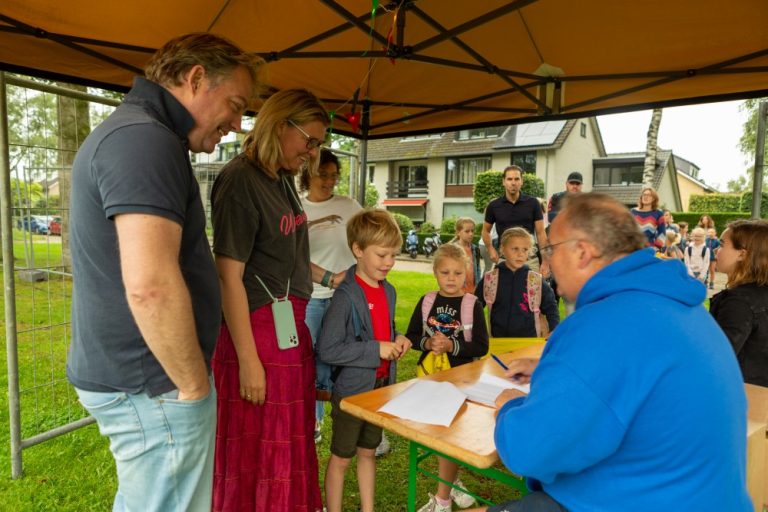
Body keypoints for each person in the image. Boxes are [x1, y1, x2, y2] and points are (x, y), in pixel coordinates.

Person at [66, 33, 258, 512]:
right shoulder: (145, 140)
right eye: (234, 105)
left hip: (143, 379)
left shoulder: (140, 134)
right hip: (153, 383)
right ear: (195, 79)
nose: (237, 125)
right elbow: (150, 286)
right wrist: (192, 385)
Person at [468, 192, 751, 512]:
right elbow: (630, 371)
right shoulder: (677, 305)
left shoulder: (603, 324)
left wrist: (508, 407)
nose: (546, 261)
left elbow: (528, 450)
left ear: (583, 252)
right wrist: (556, 367)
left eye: (549, 249)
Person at [210, 88, 329, 511]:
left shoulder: (279, 178)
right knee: (258, 447)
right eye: (309, 141)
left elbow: (288, 257)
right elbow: (229, 277)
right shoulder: (239, 180)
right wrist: (247, 360)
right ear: (281, 126)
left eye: (319, 145)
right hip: (256, 331)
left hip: (288, 327)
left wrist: (331, 276)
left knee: (286, 440)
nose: (313, 154)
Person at [317, 208, 412, 512]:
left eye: (393, 255)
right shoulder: (345, 296)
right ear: (358, 250)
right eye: (382, 255)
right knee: (342, 457)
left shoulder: (390, 291)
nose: (389, 263)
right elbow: (327, 350)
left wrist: (397, 339)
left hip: (379, 390)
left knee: (368, 452)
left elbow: (384, 329)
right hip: (352, 394)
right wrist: (376, 350)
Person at [406, 243, 489, 512]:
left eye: (457, 272)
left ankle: (442, 500)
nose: (451, 278)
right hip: (431, 378)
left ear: (466, 273)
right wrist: (429, 345)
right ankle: (453, 485)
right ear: (435, 273)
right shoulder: (427, 301)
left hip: (461, 380)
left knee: (450, 435)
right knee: (443, 435)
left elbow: (481, 346)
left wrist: (452, 346)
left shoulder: (471, 304)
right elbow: (411, 336)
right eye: (445, 272)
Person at [300, 148, 362, 442]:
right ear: (307, 174)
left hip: (344, 295)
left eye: (333, 175)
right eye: (322, 175)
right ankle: (313, 419)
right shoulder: (297, 208)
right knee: (311, 356)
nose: (328, 181)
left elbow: (371, 234)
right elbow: (293, 255)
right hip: (310, 294)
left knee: (339, 353)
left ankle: (349, 414)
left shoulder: (349, 206)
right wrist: (328, 278)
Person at [710, 220, 768, 387]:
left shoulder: (738, 302)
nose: (716, 249)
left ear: (742, 254)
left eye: (722, 244)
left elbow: (717, 356)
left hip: (745, 397)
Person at [475, 227, 559, 338]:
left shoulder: (535, 280)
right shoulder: (490, 279)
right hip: (498, 342)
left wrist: (554, 328)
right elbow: (475, 307)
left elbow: (551, 307)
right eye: (515, 249)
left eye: (525, 250)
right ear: (502, 249)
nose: (520, 254)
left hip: (528, 342)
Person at [481, 165, 550, 276]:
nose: (513, 183)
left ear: (522, 181)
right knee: (503, 293)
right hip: (504, 260)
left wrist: (546, 261)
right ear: (503, 181)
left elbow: (541, 233)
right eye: (509, 179)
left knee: (533, 293)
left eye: (517, 179)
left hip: (530, 259)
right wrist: (490, 249)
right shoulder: (494, 206)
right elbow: (485, 231)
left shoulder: (533, 203)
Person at [451, 217, 482, 294]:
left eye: (472, 231)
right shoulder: (452, 250)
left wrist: (477, 288)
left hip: (472, 291)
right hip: (457, 291)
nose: (471, 234)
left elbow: (478, 270)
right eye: (467, 231)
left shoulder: (476, 250)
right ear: (458, 232)